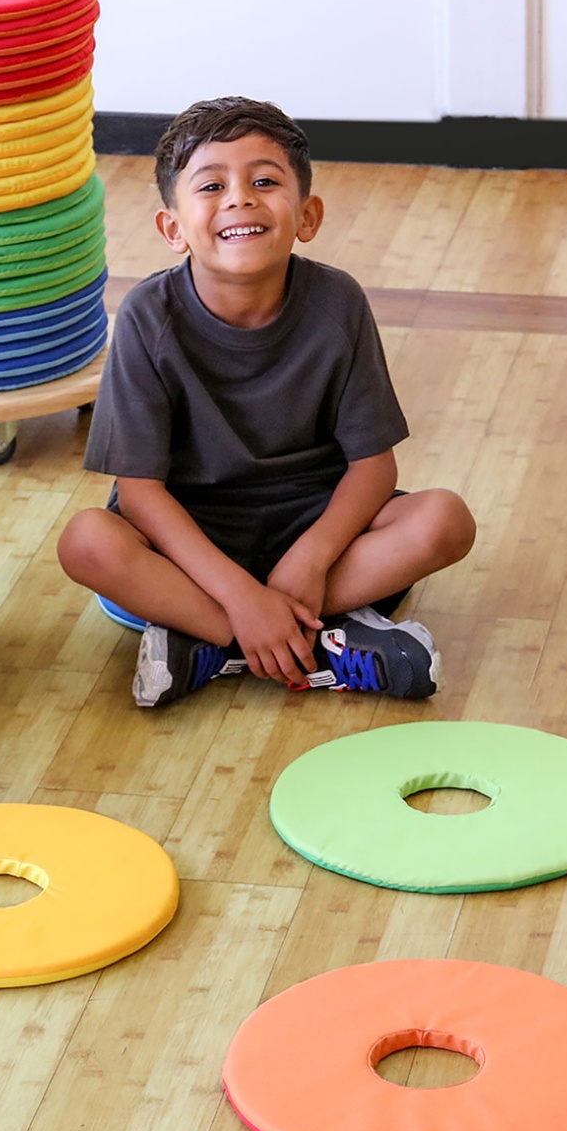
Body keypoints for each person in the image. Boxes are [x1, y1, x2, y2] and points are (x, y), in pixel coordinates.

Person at [58, 96, 475, 708]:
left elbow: (373, 467)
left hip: (315, 528)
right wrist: (240, 595)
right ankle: (313, 641)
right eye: (211, 186)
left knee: (444, 520)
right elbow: (141, 493)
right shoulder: (148, 316)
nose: (240, 199)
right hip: (190, 540)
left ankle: (208, 642)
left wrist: (311, 560)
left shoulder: (338, 302)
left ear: (307, 215)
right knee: (87, 541)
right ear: (173, 229)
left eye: (264, 181)